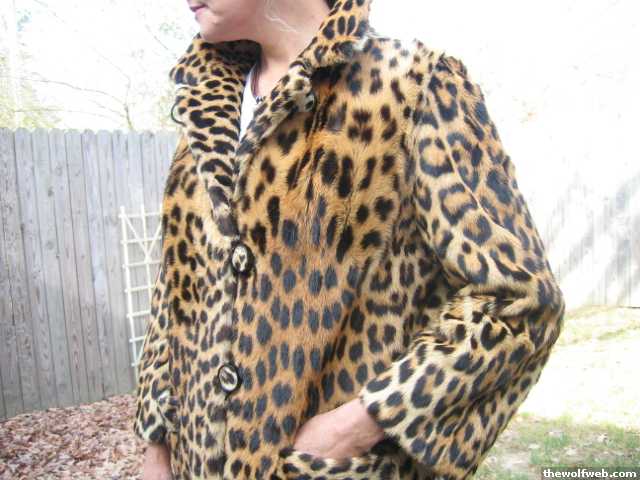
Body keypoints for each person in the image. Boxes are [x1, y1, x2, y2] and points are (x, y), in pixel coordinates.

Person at [134, 0, 566, 479]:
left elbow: (519, 301)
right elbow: (175, 293)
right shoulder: (208, 108)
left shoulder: (414, 84)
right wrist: (157, 444)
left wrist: (366, 420)